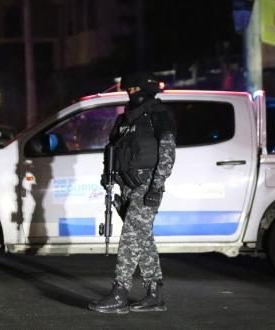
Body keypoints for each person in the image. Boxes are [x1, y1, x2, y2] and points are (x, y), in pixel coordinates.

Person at [88, 72, 177, 313]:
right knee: (142, 239)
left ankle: (120, 293)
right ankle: (154, 294)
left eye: (134, 89)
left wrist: (157, 187)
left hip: (147, 185)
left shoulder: (159, 116)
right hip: (126, 186)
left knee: (129, 237)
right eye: (129, 90)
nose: (131, 94)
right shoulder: (126, 119)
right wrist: (108, 178)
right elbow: (113, 150)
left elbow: (167, 154)